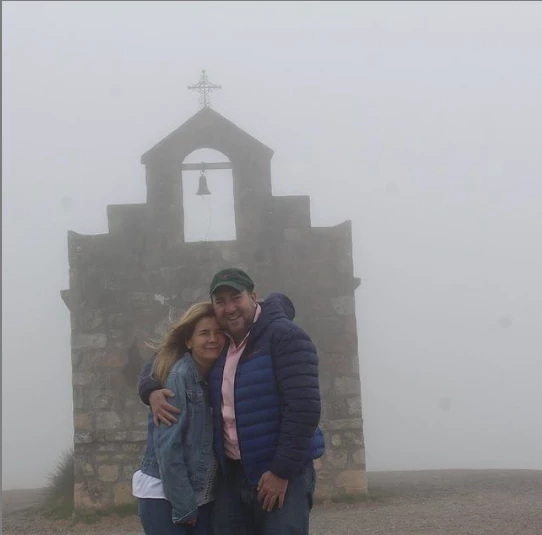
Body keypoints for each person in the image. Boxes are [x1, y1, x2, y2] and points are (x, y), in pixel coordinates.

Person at [139, 268, 325, 535]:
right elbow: (169, 353)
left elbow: (304, 408)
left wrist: (281, 471)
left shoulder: (283, 335)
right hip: (232, 478)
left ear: (253, 297)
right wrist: (150, 388)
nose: (229, 308)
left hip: (278, 474)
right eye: (220, 301)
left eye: (236, 297)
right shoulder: (222, 341)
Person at [133, 302, 226, 535]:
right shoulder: (179, 376)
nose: (213, 339)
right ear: (188, 341)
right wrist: (185, 505)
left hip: (200, 494)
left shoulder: (216, 375)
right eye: (204, 333)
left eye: (219, 332)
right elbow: (169, 449)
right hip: (165, 495)